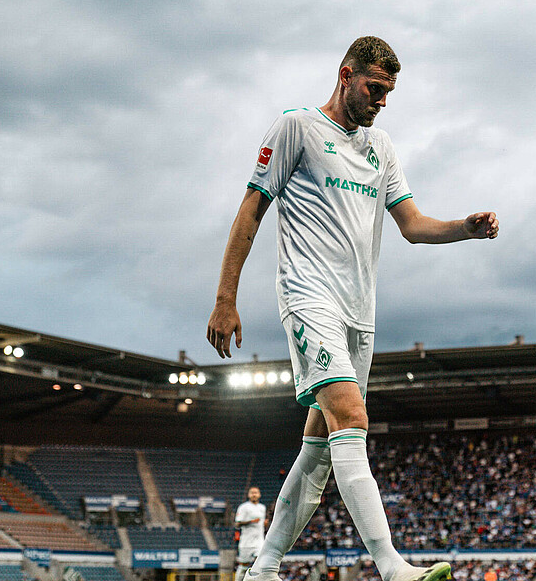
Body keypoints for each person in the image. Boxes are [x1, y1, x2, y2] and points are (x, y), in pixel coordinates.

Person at [206, 36, 498, 581]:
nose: (382, 100)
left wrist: (464, 228)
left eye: (389, 91)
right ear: (345, 74)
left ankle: (264, 567)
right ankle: (391, 566)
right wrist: (226, 299)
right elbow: (250, 211)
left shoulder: (380, 146)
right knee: (352, 417)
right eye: (374, 87)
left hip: (359, 315)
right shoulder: (296, 127)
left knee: (319, 444)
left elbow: (411, 226)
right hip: (308, 296)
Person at [234, 487, 268, 581]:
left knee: (261, 563)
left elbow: (261, 523)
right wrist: (251, 521)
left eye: (256, 493)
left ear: (259, 495)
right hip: (246, 542)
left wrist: (264, 524)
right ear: (248, 495)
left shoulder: (262, 507)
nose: (254, 494)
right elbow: (237, 523)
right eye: (252, 493)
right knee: (243, 566)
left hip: (259, 541)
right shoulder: (243, 507)